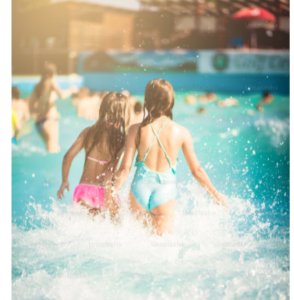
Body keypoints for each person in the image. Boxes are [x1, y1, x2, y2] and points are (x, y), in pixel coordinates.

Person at [113, 79, 227, 235]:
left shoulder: (135, 130)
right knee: (162, 248)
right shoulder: (182, 132)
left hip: (139, 190)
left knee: (136, 244)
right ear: (170, 101)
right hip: (164, 194)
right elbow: (197, 170)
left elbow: (125, 169)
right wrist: (216, 195)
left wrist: (112, 194)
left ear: (147, 100)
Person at [57, 92, 130, 215]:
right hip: (103, 193)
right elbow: (112, 170)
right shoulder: (121, 138)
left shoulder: (87, 132)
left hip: (83, 192)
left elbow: (67, 157)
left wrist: (65, 181)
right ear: (122, 114)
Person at [29, 62, 77, 153]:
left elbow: (31, 109)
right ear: (53, 74)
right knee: (53, 149)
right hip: (50, 121)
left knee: (50, 148)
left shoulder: (37, 87)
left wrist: (42, 111)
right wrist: (72, 89)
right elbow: (62, 95)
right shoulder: (51, 83)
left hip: (39, 123)